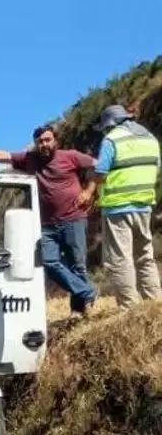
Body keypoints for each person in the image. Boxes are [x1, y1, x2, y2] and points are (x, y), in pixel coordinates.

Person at [0, 123, 98, 314]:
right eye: (40, 141)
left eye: (47, 140)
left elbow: (96, 167)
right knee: (49, 262)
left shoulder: (70, 156)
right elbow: (0, 156)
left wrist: (89, 192)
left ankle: (79, 310)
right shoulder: (30, 159)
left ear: (55, 140)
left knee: (77, 265)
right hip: (48, 224)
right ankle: (87, 292)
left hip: (74, 218)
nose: (44, 144)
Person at [81, 104, 161, 309]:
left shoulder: (112, 139)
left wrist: (89, 175)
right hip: (144, 205)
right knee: (145, 256)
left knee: (120, 259)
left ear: (110, 124)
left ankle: (129, 309)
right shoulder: (150, 139)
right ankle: (155, 303)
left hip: (118, 207)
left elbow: (101, 173)